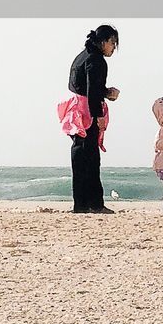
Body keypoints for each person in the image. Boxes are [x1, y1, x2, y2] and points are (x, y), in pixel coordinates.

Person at [62, 25, 120, 214]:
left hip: (75, 111)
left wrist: (106, 92)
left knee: (80, 159)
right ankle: (95, 204)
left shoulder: (83, 56)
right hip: (86, 113)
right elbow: (92, 91)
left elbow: (84, 86)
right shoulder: (97, 60)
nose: (113, 48)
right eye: (113, 43)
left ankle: (81, 205)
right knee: (91, 159)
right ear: (103, 42)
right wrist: (99, 116)